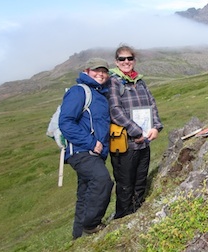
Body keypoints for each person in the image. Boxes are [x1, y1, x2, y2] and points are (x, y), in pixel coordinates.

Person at [59, 58, 114, 240]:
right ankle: (91, 225)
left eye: (104, 71)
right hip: (82, 151)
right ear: (87, 71)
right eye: (96, 70)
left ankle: (78, 237)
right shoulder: (79, 91)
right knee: (102, 180)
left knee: (85, 194)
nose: (101, 74)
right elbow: (65, 122)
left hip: (95, 153)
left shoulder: (100, 94)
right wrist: (91, 143)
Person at [108, 45, 163, 219]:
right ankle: (122, 219)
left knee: (140, 181)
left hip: (144, 142)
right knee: (125, 185)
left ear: (134, 60)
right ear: (116, 62)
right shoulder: (113, 82)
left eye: (129, 58)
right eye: (122, 59)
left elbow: (152, 104)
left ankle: (137, 216)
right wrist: (135, 131)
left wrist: (156, 126)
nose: (126, 62)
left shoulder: (140, 81)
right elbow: (115, 110)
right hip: (125, 144)